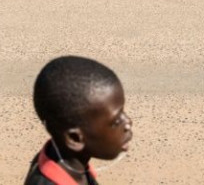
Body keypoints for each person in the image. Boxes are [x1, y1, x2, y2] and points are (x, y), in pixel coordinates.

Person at [25, 56, 133, 185]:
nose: (128, 123)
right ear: (75, 138)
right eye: (115, 122)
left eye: (123, 111)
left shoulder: (60, 158)